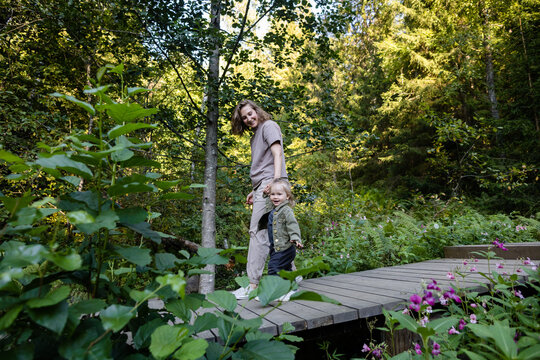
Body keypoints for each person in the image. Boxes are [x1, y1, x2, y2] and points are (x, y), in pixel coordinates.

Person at [230, 99, 289, 299]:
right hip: (262, 186)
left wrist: (276, 182)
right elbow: (262, 164)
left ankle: (252, 285)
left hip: (271, 184)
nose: (248, 119)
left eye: (250, 113)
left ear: (257, 111)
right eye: (244, 117)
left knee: (257, 233)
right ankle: (290, 278)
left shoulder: (269, 126)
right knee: (276, 232)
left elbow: (277, 153)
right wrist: (254, 190)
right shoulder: (254, 136)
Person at [256, 179, 303, 301]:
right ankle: (292, 290)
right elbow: (268, 202)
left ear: (287, 196)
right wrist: (266, 193)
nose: (275, 197)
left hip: (285, 248)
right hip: (276, 248)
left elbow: (293, 225)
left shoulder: (286, 210)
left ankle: (271, 293)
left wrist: (295, 238)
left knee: (274, 268)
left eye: (279, 194)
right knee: (285, 270)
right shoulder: (274, 208)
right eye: (273, 194)